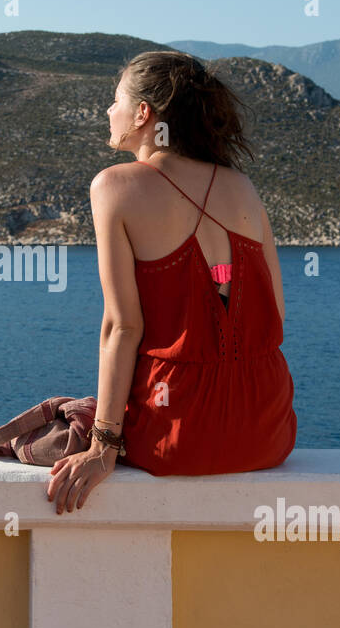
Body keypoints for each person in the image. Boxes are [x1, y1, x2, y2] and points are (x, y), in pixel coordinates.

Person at [47, 51, 298, 514]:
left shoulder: (114, 186)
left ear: (143, 113)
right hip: (267, 429)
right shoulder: (243, 186)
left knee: (62, 414)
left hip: (177, 434)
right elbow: (275, 316)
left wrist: (102, 447)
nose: (108, 111)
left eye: (115, 99)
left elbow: (121, 328)